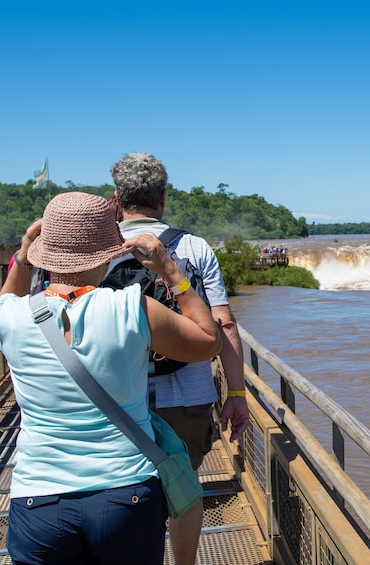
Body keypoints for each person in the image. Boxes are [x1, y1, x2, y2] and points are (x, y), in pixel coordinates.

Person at [0, 192, 222, 565]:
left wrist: (24, 252)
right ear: (110, 251)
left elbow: (4, 301)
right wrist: (170, 271)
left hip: (38, 499)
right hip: (125, 493)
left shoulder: (8, 317)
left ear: (43, 252)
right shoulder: (133, 308)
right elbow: (209, 341)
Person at [109, 152, 250, 565]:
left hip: (120, 399)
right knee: (184, 489)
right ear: (164, 197)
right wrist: (236, 391)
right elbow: (223, 325)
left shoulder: (98, 249)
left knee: (129, 493)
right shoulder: (193, 247)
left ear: (118, 198)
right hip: (188, 397)